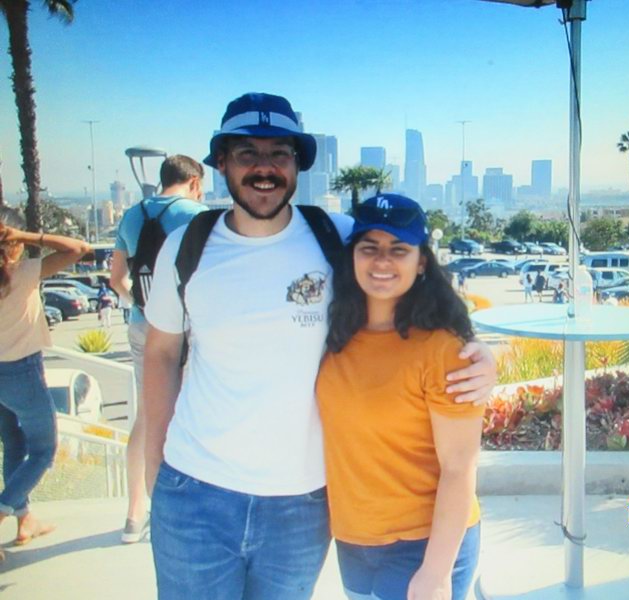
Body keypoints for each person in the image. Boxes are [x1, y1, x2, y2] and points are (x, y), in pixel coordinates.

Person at [142, 92, 496, 600]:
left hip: (300, 508)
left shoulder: (337, 237)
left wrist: (479, 352)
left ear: (297, 165)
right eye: (247, 153)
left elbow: (409, 279)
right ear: (221, 162)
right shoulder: (187, 246)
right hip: (195, 492)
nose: (264, 168)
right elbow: (159, 355)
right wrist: (154, 471)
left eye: (279, 154)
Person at [317, 194, 484, 600]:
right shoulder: (334, 334)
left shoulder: (444, 349)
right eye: (369, 247)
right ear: (352, 255)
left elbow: (459, 467)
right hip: (353, 541)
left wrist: (436, 573)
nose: (382, 261)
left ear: (421, 261)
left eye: (399, 249)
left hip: (423, 544)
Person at [109, 155, 206, 544]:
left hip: (141, 324)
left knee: (146, 415)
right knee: (187, 413)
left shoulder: (131, 216)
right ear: (195, 182)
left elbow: (116, 278)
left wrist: (145, 306)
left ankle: (134, 514)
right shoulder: (197, 216)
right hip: (184, 329)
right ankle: (181, 509)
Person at [0, 207, 91, 563]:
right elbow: (79, 249)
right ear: (14, 242)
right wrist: (27, 236)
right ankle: (4, 512)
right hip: (21, 372)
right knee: (43, 451)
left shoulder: (21, 273)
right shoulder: (23, 273)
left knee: (14, 444)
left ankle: (25, 519)